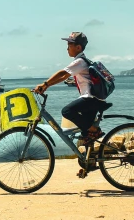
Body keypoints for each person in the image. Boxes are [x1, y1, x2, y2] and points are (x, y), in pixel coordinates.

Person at [34, 32, 106, 173]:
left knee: (66, 111)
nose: (67, 48)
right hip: (94, 100)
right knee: (86, 136)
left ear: (78, 47)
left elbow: (63, 74)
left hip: (90, 99)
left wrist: (45, 84)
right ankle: (88, 164)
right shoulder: (83, 62)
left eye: (69, 45)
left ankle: (95, 130)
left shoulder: (79, 62)